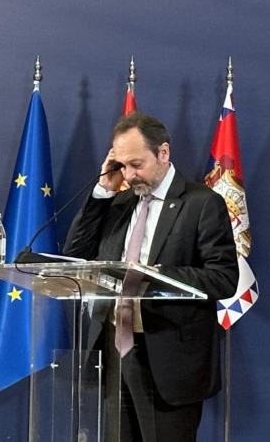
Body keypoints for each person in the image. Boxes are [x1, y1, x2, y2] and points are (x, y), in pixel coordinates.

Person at [64, 112, 239, 442]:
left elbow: (223, 278)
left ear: (163, 152)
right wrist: (103, 190)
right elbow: (76, 252)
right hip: (114, 352)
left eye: (136, 164)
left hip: (168, 358)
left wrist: (160, 277)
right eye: (122, 165)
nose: (129, 175)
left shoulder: (202, 203)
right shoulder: (119, 202)